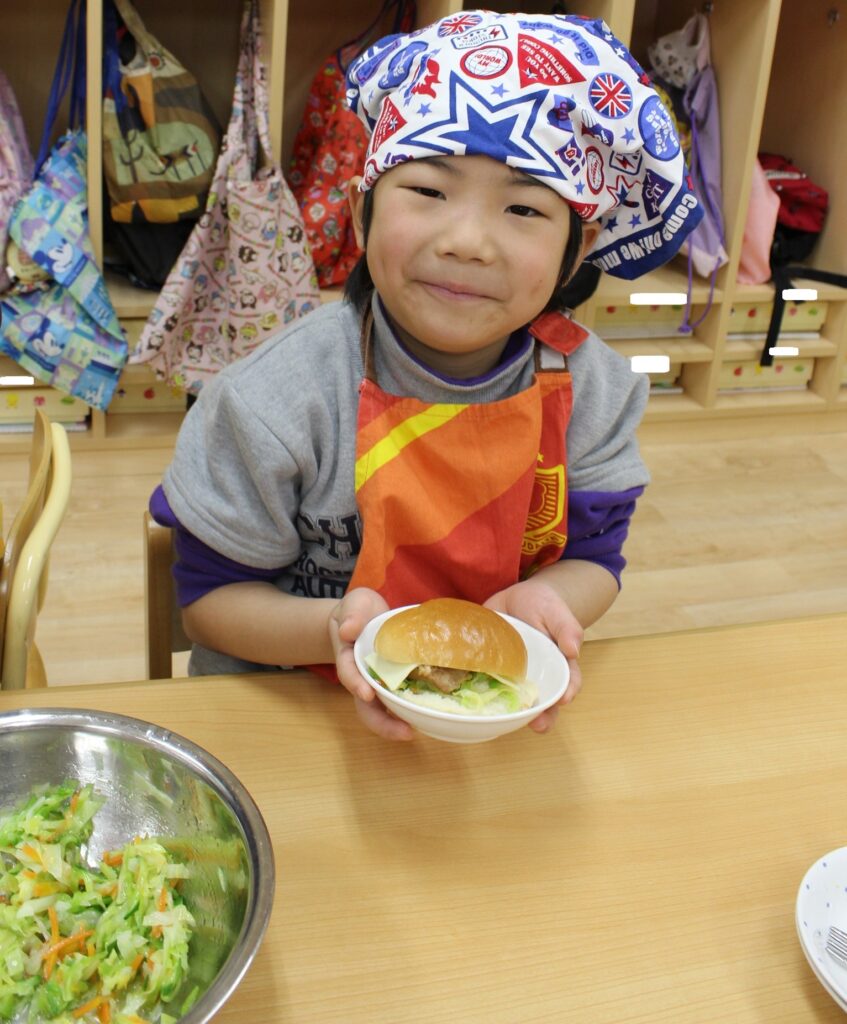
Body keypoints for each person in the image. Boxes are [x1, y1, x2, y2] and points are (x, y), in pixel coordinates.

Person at [150, 10, 702, 740]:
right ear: (361, 213)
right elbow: (209, 602)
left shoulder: (593, 393)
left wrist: (548, 602)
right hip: (289, 710)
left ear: (577, 249)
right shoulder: (271, 403)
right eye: (429, 192)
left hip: (483, 721)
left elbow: (595, 559)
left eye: (523, 207)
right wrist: (335, 632)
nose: (467, 242)